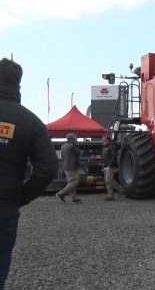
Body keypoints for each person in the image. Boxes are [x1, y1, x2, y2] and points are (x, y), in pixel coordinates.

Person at [0, 58, 58, 289]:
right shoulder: (30, 121)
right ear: (18, 85)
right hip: (4, 211)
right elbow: (48, 167)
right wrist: (21, 196)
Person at [55, 133, 82, 203]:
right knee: (74, 182)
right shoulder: (72, 146)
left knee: (71, 182)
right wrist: (76, 145)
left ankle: (73, 198)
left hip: (65, 166)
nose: (75, 140)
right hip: (72, 166)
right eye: (74, 139)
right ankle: (60, 193)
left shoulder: (63, 146)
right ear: (72, 139)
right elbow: (78, 153)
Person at [101, 136, 125, 201]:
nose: (103, 142)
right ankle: (110, 195)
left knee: (109, 180)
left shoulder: (112, 147)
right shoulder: (105, 147)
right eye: (103, 141)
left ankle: (121, 189)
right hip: (106, 166)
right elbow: (103, 157)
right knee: (107, 181)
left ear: (108, 141)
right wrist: (103, 165)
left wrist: (110, 165)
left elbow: (114, 157)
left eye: (104, 140)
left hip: (110, 166)